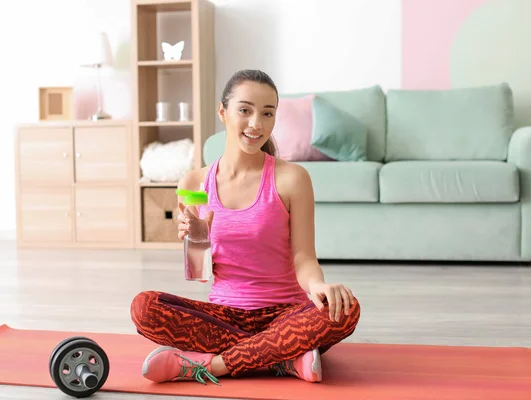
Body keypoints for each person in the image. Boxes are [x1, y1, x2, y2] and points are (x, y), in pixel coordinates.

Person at [130, 69, 360, 385]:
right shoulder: (194, 183)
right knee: (144, 307)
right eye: (245, 110)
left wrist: (317, 287)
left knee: (345, 309)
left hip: (286, 315)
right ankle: (284, 360)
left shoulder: (292, 179)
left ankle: (209, 366)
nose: (257, 124)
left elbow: (304, 257)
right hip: (223, 317)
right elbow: (200, 274)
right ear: (223, 113)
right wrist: (197, 242)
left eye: (268, 113)